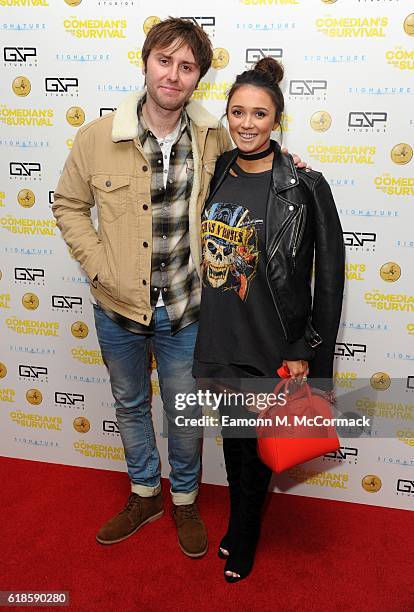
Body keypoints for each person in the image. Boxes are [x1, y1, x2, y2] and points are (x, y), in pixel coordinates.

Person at [52, 17, 307, 559]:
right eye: (164, 61)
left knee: (185, 409)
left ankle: (185, 498)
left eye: (186, 66)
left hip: (188, 310)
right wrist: (99, 266)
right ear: (146, 62)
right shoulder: (97, 137)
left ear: (198, 79)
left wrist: (290, 165)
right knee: (128, 403)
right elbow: (69, 206)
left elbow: (256, 159)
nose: (173, 74)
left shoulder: (214, 135)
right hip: (116, 307)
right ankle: (144, 492)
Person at [193, 57, 345, 581]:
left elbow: (327, 278)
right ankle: (241, 523)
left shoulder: (304, 186)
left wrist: (305, 349)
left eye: (260, 114)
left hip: (269, 344)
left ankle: (246, 533)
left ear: (277, 120)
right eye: (237, 112)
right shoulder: (217, 171)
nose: (247, 123)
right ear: (228, 117)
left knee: (258, 454)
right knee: (235, 447)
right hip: (218, 336)